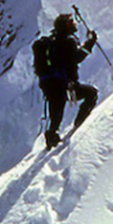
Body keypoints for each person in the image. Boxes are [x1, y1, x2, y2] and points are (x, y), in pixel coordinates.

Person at [39, 13, 98, 149]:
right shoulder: (68, 41)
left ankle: (51, 139)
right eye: (72, 21)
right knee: (91, 94)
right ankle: (79, 125)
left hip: (51, 86)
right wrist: (90, 42)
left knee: (56, 115)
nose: (75, 23)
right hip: (65, 85)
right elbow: (76, 57)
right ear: (66, 25)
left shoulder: (54, 41)